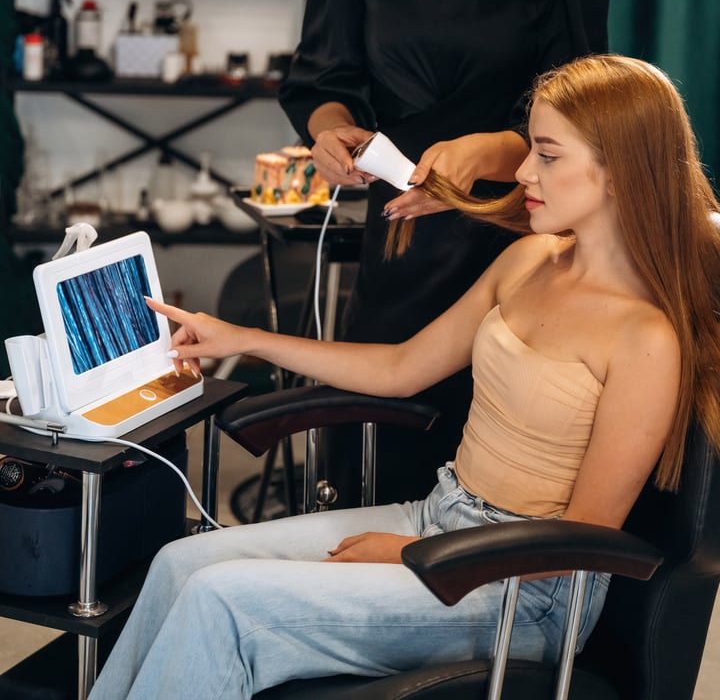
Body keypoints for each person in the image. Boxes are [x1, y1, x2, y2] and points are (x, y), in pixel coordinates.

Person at [89, 54, 720, 700]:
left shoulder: (646, 340)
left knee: (222, 602)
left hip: (522, 592)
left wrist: (406, 555)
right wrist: (238, 337)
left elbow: (579, 542)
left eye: (549, 156)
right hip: (438, 519)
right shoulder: (531, 260)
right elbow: (400, 367)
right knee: (179, 564)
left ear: (622, 173)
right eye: (531, 148)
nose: (524, 170)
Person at [279, 0, 611, 503]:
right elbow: (321, 79)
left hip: (517, 258)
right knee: (368, 491)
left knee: (491, 504)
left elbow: (588, 129)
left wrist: (492, 150)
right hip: (398, 256)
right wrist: (332, 135)